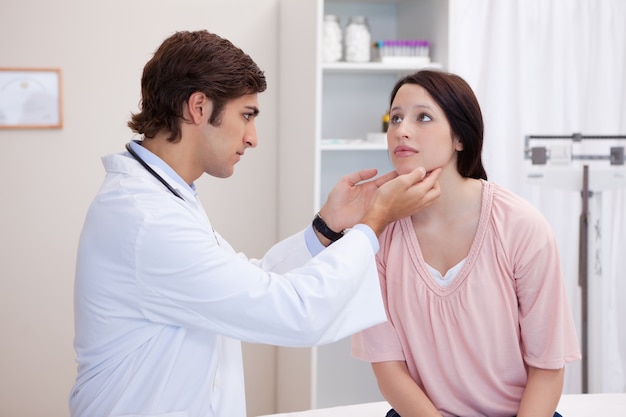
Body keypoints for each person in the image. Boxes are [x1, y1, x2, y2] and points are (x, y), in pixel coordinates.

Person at [68, 30, 442, 417]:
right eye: (246, 115)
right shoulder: (147, 221)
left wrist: (328, 227)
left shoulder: (163, 198)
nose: (253, 138)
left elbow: (250, 281)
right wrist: (374, 221)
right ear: (198, 107)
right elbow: (294, 312)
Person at [351, 70, 581, 417]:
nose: (401, 129)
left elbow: (547, 367)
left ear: (460, 137)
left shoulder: (521, 226)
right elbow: (387, 366)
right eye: (395, 118)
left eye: (422, 117)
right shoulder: (377, 235)